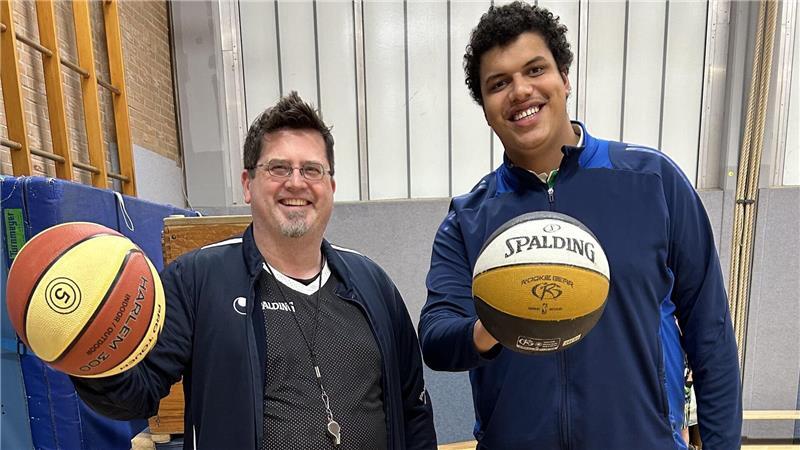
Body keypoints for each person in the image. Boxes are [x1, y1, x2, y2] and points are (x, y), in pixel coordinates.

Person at [417, 2, 742, 449]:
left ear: (564, 78)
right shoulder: (469, 218)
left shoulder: (653, 182)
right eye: (499, 84)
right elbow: (434, 336)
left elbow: (711, 335)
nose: (519, 91)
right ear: (486, 108)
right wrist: (497, 320)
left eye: (535, 70)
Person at [72, 92, 437, 450]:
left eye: (312, 169)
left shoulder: (372, 284)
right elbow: (134, 393)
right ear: (248, 184)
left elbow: (413, 409)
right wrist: (88, 349)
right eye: (278, 168)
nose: (296, 182)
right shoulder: (196, 281)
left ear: (330, 186)